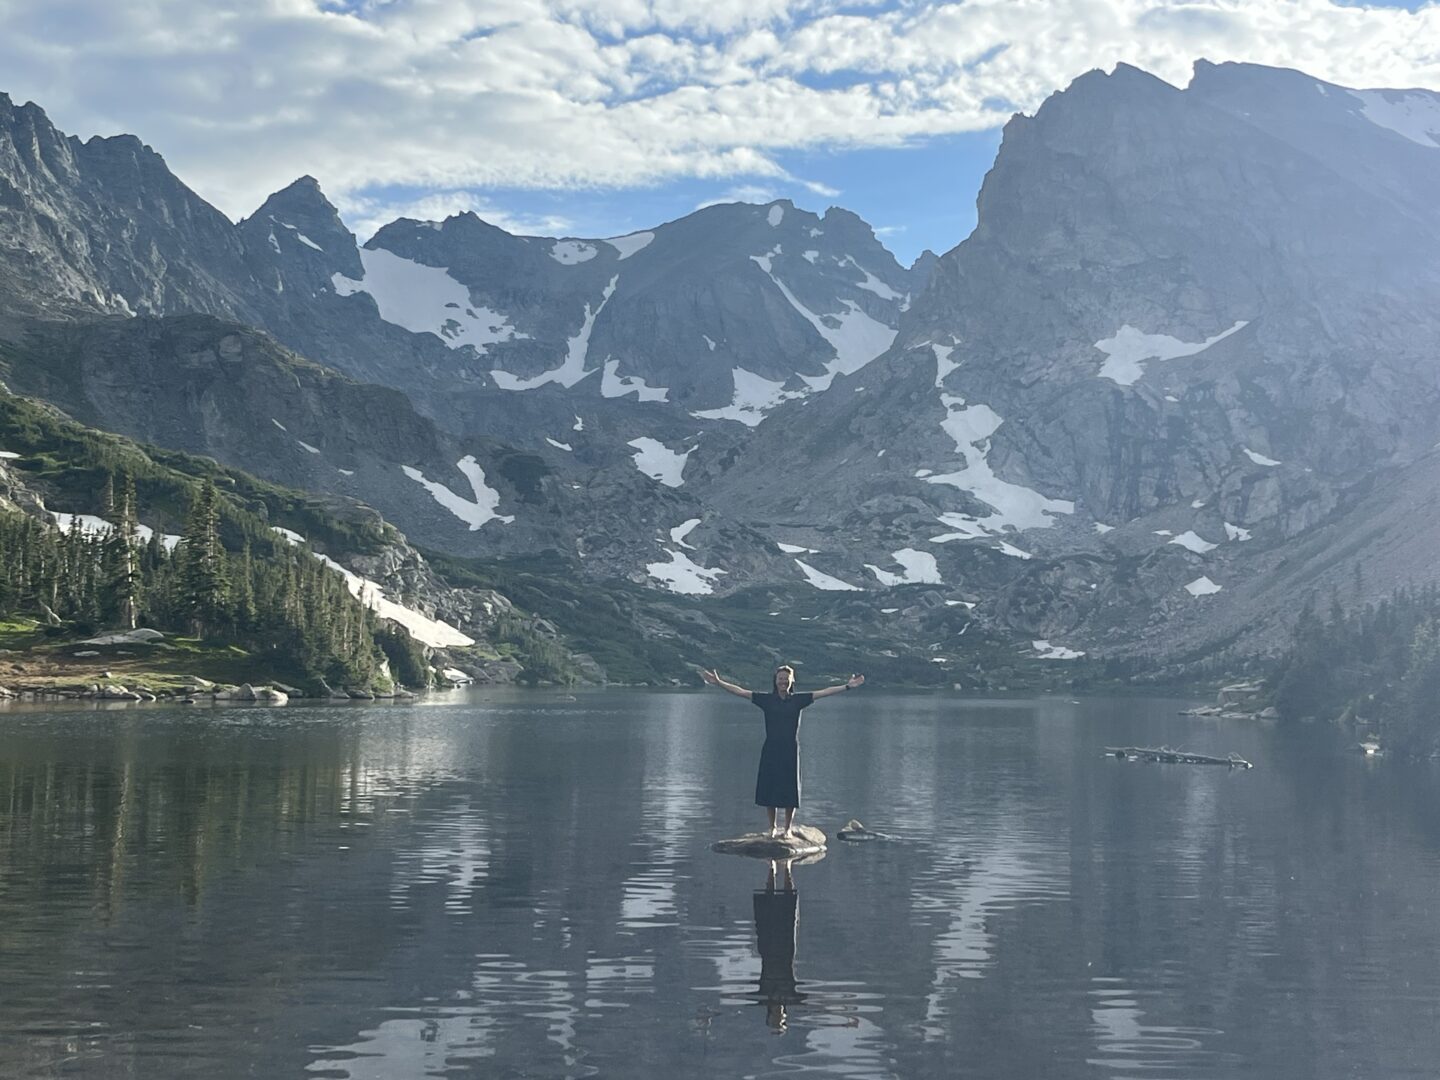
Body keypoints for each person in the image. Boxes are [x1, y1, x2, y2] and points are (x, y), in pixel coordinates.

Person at [700, 664, 865, 837]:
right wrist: (719, 683)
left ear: (791, 680)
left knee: (790, 790)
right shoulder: (767, 700)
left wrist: (847, 686)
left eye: (786, 678)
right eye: (780, 678)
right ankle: (772, 827)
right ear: (775, 680)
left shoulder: (798, 700)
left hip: (790, 750)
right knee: (769, 788)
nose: (783, 681)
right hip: (771, 749)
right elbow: (741, 692)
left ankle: (787, 829)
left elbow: (824, 692)